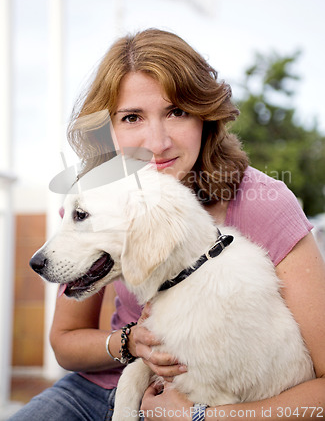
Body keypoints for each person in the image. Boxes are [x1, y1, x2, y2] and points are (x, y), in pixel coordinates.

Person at [11, 28, 325, 421]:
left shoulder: (263, 202)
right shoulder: (97, 198)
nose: (157, 143)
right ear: (107, 132)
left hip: (227, 402)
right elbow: (65, 342)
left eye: (177, 111)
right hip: (102, 388)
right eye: (131, 118)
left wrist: (199, 415)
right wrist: (130, 343)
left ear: (204, 116)